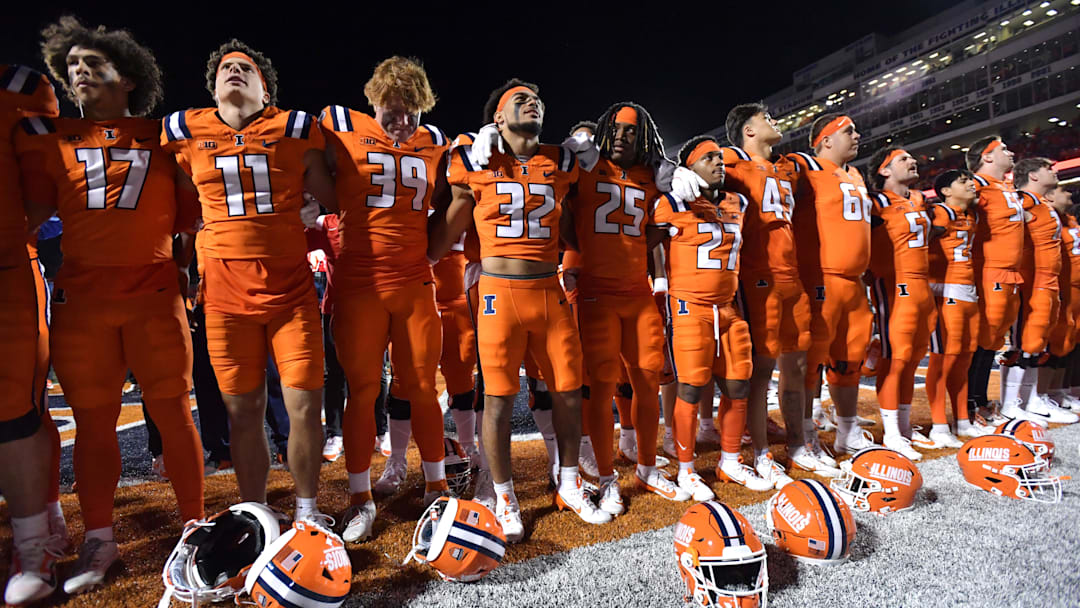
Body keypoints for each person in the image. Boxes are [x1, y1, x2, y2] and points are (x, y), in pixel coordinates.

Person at [17, 17, 205, 594]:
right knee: (96, 423)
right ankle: (99, 538)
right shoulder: (51, 136)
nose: (78, 73)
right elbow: (28, 213)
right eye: (71, 65)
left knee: (172, 412)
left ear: (127, 76)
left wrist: (187, 260)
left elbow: (192, 214)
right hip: (84, 299)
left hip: (153, 295)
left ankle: (195, 528)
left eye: (91, 63)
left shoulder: (163, 134)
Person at [161, 40, 335, 522]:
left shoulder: (295, 128)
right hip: (223, 293)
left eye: (245, 68)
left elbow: (339, 194)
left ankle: (306, 510)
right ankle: (256, 510)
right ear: (213, 86)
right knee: (244, 413)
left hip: (291, 290)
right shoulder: (183, 130)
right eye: (225, 68)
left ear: (266, 90)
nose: (233, 72)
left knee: (303, 407)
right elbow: (175, 209)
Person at [430, 79, 611, 542]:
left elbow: (585, 218)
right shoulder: (473, 157)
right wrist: (465, 143)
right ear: (496, 119)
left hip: (548, 289)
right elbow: (442, 222)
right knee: (498, 399)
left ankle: (568, 483)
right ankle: (505, 494)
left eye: (537, 98)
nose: (533, 102)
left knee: (570, 390)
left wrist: (598, 154)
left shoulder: (562, 159)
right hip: (498, 292)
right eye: (520, 99)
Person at [318, 56, 451, 542]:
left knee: (421, 387)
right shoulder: (339, 125)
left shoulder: (435, 142)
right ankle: (359, 498)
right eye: (393, 110)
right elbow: (301, 161)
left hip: (415, 282)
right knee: (362, 391)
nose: (403, 121)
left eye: (412, 111)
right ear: (372, 102)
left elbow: (452, 202)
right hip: (359, 285)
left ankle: (436, 486)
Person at [565, 101, 690, 510]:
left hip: (635, 292)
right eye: (616, 129)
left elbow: (658, 230)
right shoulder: (584, 165)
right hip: (596, 294)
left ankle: (648, 468)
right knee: (600, 387)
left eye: (631, 131)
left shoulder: (651, 176)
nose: (622, 136)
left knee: (648, 380)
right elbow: (562, 214)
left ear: (644, 137)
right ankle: (605, 477)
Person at [721, 103, 832, 480]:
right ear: (748, 131)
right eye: (765, 119)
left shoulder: (787, 166)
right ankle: (761, 453)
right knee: (762, 370)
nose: (775, 123)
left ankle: (799, 445)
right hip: (758, 276)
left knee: (797, 365)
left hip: (792, 276)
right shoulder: (732, 161)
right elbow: (694, 165)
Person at [658, 135, 771, 500]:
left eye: (719, 157)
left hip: (728, 306)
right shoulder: (672, 201)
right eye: (709, 158)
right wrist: (667, 177)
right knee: (690, 388)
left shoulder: (738, 202)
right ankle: (687, 470)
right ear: (688, 167)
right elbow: (646, 236)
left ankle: (730, 460)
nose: (718, 163)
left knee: (739, 385)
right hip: (690, 306)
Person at [1, 62, 66, 605]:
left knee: (16, 414)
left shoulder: (18, 89)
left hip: (4, 272)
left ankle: (33, 543)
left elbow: (45, 188)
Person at [787, 114, 875, 455]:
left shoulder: (854, 174)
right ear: (825, 140)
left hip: (855, 282)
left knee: (849, 360)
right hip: (821, 277)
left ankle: (847, 431)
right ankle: (807, 435)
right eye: (848, 131)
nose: (857, 135)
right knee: (811, 363)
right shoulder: (805, 167)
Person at [925, 169, 991, 442]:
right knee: (944, 359)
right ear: (945, 191)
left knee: (964, 360)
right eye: (962, 181)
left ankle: (962, 419)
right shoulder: (939, 212)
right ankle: (938, 424)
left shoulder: (970, 214)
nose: (971, 184)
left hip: (967, 290)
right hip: (945, 290)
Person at [1010, 158, 1077, 424]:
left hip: (1049, 281)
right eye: (1048, 168)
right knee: (1025, 343)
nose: (1055, 171)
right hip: (1031, 280)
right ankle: (1012, 402)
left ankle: (1031, 398)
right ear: (1033, 176)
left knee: (1039, 345)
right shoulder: (1021, 200)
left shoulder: (1041, 205)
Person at [964, 136, 1024, 424]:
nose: (1010, 152)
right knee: (981, 340)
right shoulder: (975, 185)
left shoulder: (1005, 186)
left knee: (994, 340)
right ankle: (971, 403)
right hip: (988, 271)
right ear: (986, 157)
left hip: (1011, 272)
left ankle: (981, 399)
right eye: (1003, 149)